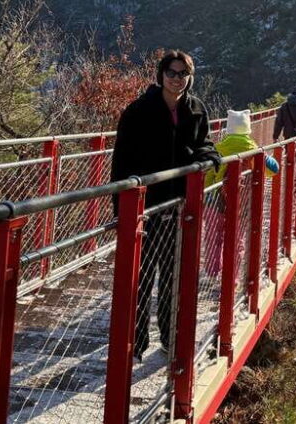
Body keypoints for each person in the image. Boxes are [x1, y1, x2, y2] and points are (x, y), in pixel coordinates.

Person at [111, 49, 222, 360]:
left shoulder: (197, 109)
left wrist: (209, 156)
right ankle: (134, 344)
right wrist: (121, 210)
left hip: (180, 209)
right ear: (160, 75)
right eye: (171, 73)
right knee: (141, 277)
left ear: (189, 77)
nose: (177, 79)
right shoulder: (137, 111)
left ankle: (169, 339)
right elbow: (121, 163)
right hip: (144, 209)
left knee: (174, 278)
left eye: (182, 74)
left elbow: (203, 144)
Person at [203, 109, 279, 277]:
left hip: (215, 203)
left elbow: (207, 176)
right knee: (237, 242)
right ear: (248, 129)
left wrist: (205, 199)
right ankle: (231, 279)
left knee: (213, 240)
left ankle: (213, 273)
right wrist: (263, 154)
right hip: (242, 204)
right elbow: (274, 170)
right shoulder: (254, 150)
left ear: (228, 129)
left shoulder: (218, 149)